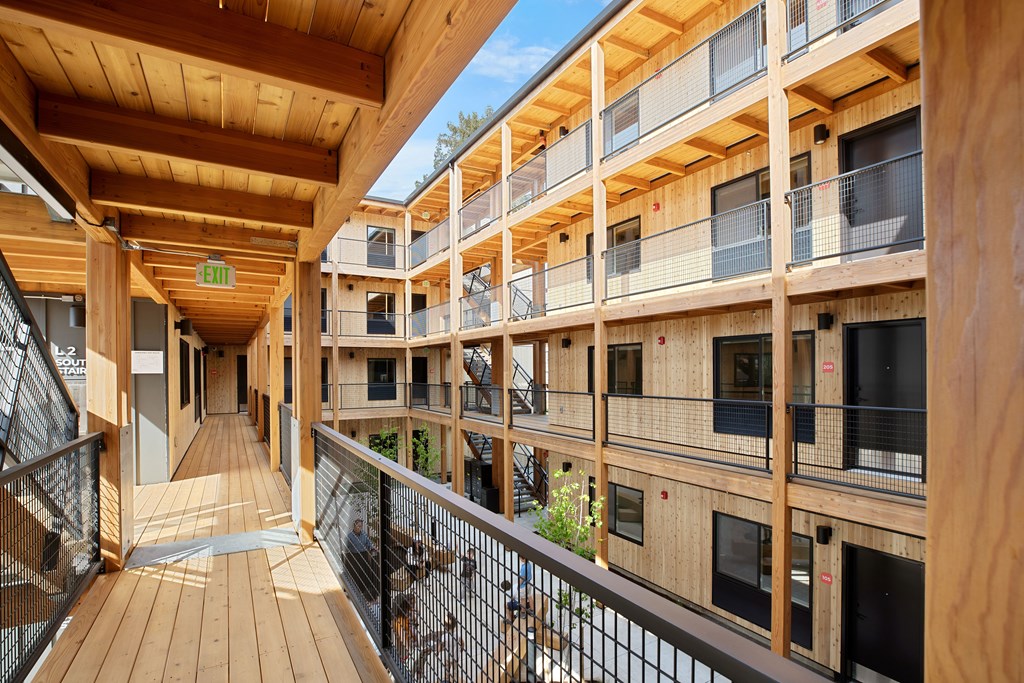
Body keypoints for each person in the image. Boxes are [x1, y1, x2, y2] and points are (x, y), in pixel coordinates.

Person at [413, 612, 464, 680]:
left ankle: (447, 678)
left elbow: (440, 645)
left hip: (448, 656)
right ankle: (455, 677)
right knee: (455, 668)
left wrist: (438, 651)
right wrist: (462, 648)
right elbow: (462, 642)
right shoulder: (458, 634)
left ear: (445, 626)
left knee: (447, 668)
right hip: (456, 656)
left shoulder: (445, 636)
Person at [344, 518, 378, 602]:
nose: (360, 528)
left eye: (361, 526)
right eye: (358, 526)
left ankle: (364, 591)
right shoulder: (349, 536)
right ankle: (355, 591)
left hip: (363, 555)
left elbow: (369, 544)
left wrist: (373, 548)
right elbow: (346, 547)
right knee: (355, 574)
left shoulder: (364, 534)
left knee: (365, 573)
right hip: (354, 556)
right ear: (354, 526)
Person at [393, 591, 420, 664]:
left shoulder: (407, 612)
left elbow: (415, 620)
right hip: (406, 646)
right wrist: (411, 651)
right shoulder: (400, 621)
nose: (413, 605)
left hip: (410, 638)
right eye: (411, 603)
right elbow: (402, 636)